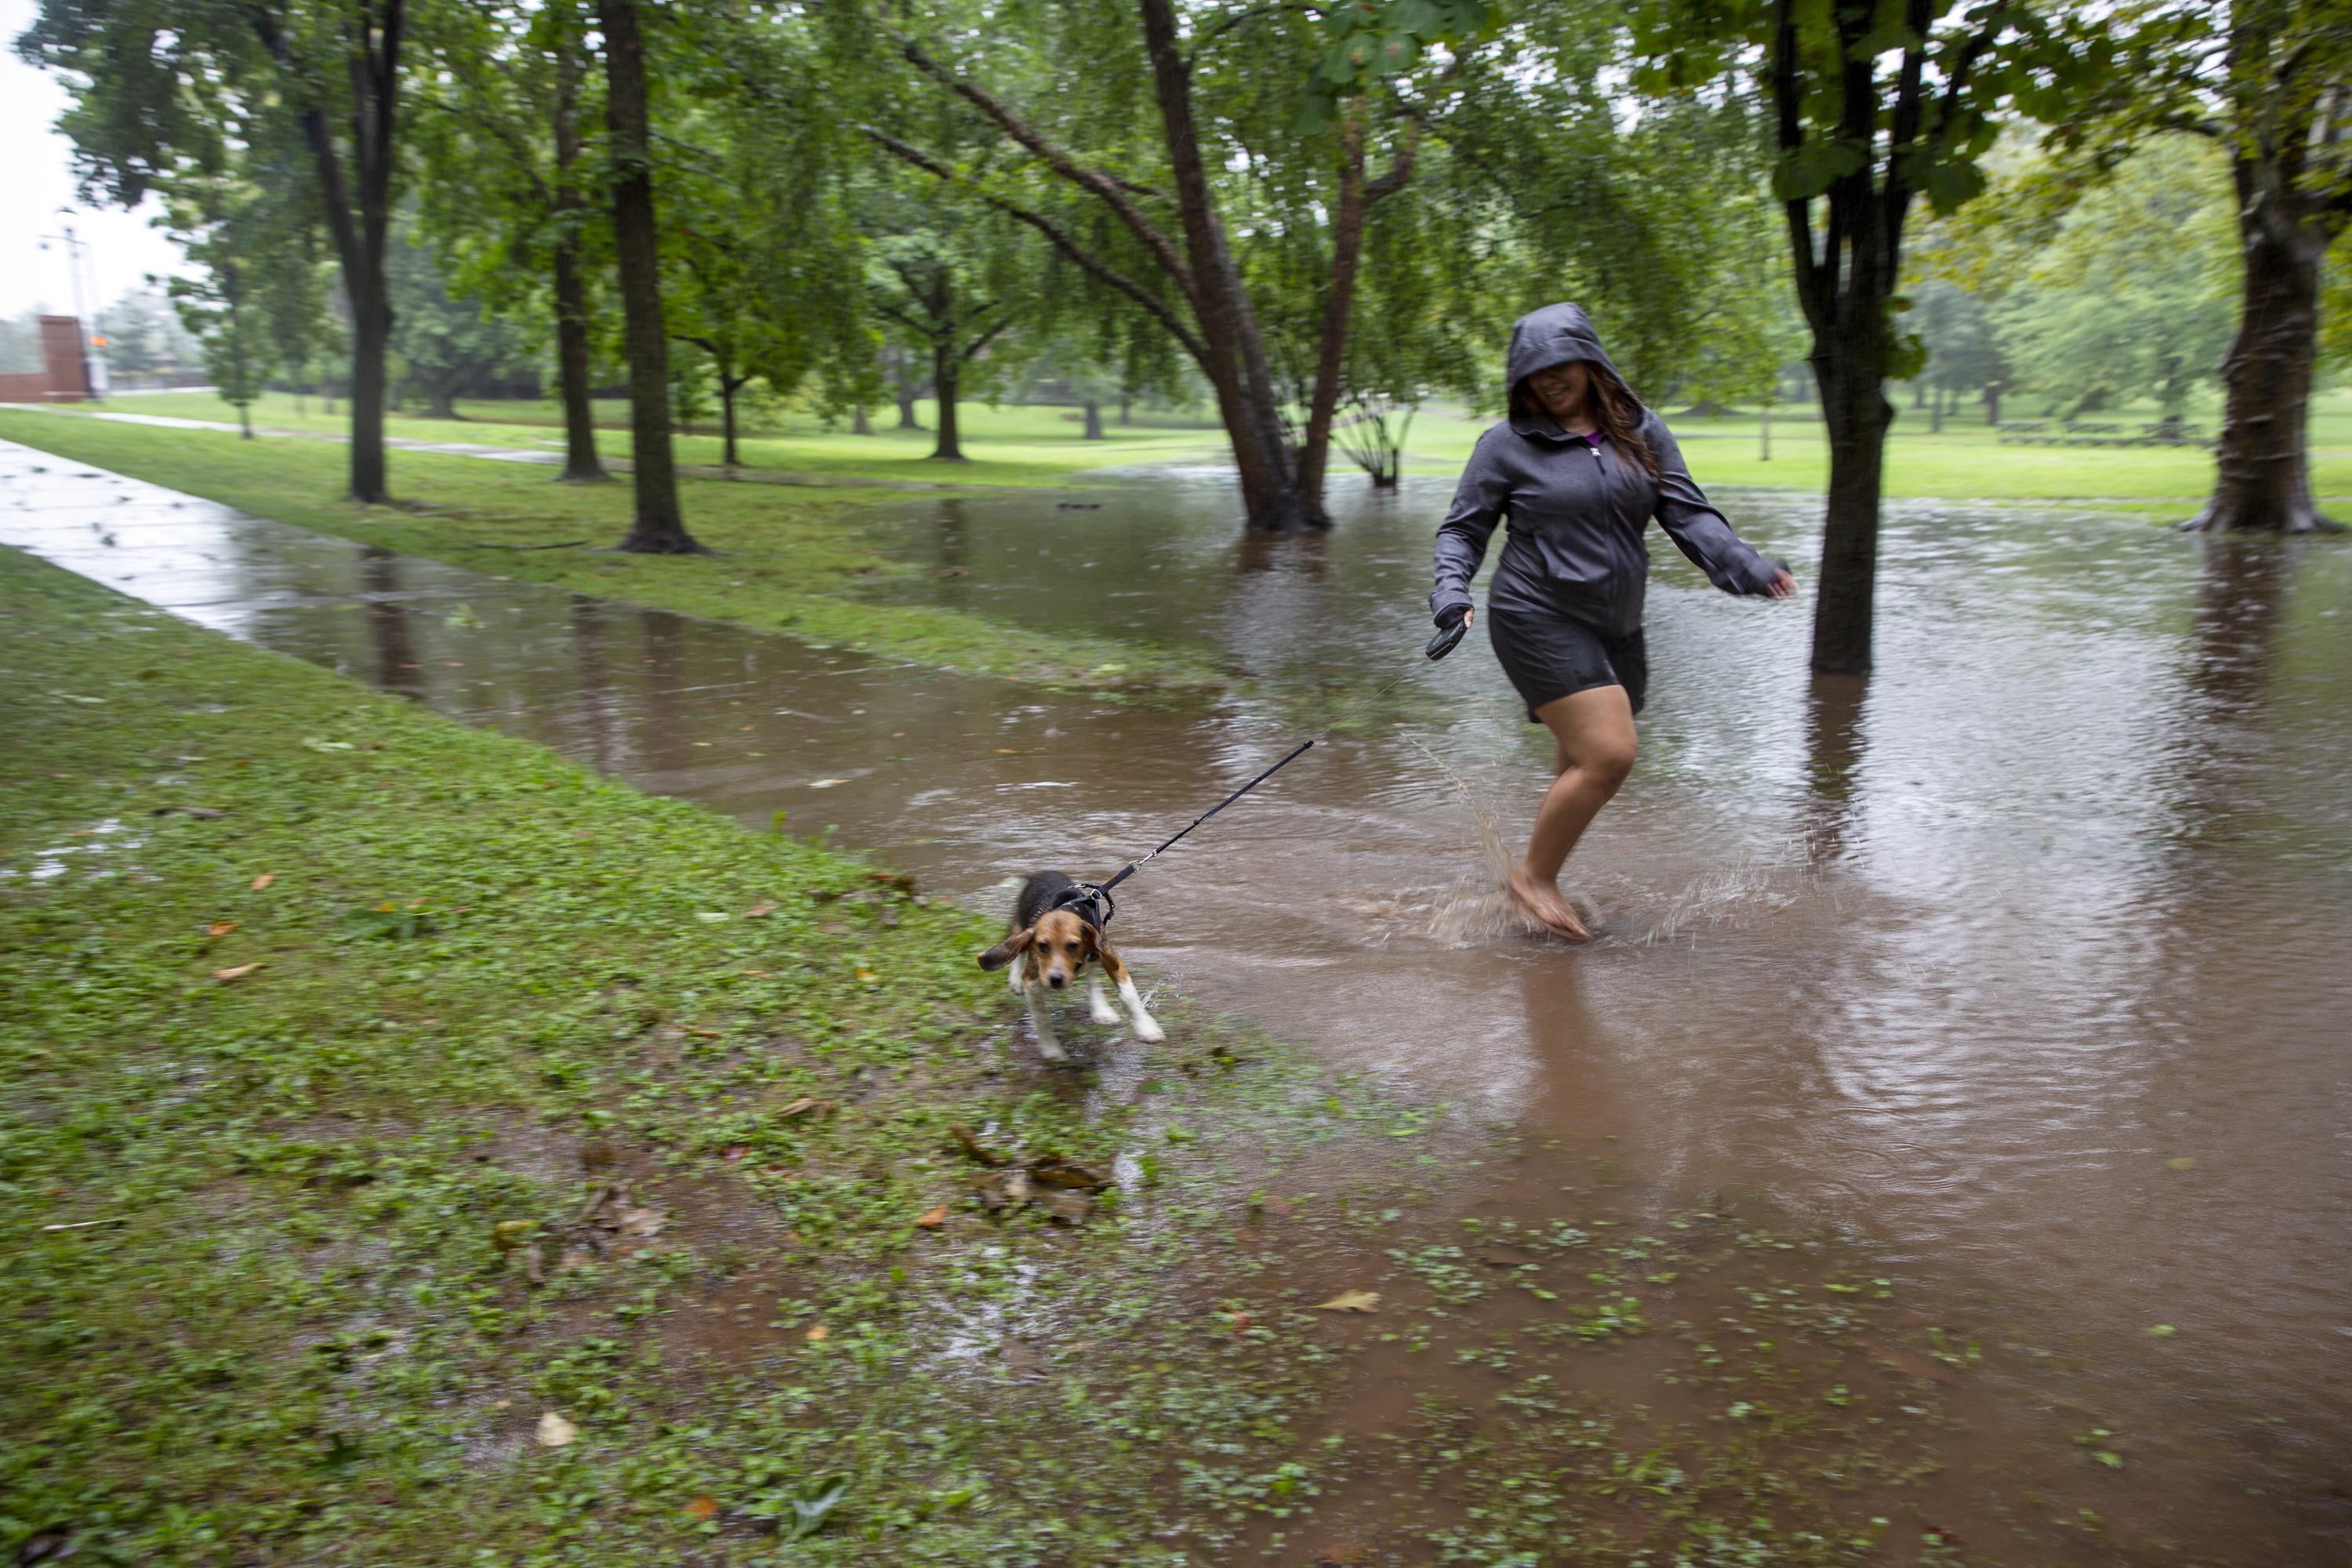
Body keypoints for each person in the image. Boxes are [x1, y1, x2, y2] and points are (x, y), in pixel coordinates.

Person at [1429, 302, 1796, 940]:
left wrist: (1745, 566)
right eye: (1532, 373)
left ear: (1590, 361)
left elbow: (1688, 514)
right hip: (1533, 612)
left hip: (1615, 621)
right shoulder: (1506, 446)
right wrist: (1451, 594)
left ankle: (1530, 900)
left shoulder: (1640, 432)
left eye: (1559, 365)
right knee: (1611, 753)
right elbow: (1463, 531)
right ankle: (1531, 880)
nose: (1548, 381)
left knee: (1580, 758)